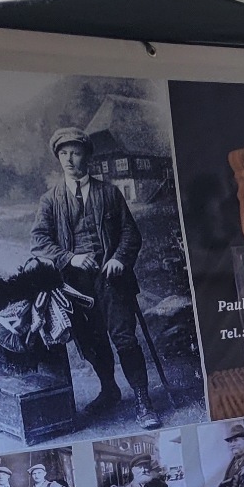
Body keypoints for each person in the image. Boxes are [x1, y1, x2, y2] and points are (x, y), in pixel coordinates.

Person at [30, 125, 160, 430]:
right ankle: (109, 390)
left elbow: (130, 233)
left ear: (87, 156)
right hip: (75, 286)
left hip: (111, 280)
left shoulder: (109, 193)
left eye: (75, 153)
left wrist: (119, 259)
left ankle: (143, 400)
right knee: (90, 342)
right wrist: (69, 257)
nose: (69, 159)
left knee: (125, 338)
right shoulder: (50, 200)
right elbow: (39, 240)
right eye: (64, 153)